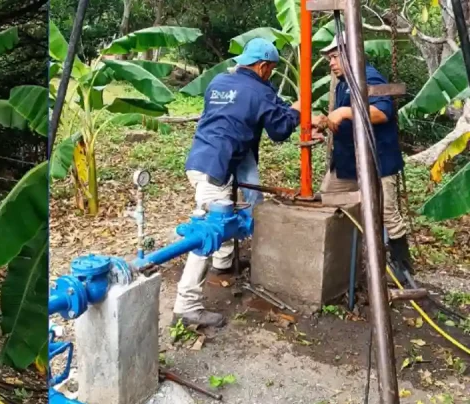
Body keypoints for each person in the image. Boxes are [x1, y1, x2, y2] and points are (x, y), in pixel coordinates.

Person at [174, 38, 303, 328]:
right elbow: (280, 130)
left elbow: (242, 110)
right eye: (270, 69)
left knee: (223, 215)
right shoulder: (258, 91)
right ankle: (187, 304)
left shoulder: (219, 82)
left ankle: (223, 264)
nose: (270, 74)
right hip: (216, 169)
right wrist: (297, 110)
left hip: (200, 159)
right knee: (206, 233)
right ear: (262, 66)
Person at [316, 33, 414, 277]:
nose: (331, 62)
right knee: (328, 202)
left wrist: (345, 111)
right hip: (348, 162)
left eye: (335, 56)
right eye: (329, 58)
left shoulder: (369, 77)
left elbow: (381, 113)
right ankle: (341, 263)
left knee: (387, 213)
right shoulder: (342, 84)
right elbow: (346, 121)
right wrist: (327, 124)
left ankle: (402, 270)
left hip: (377, 162)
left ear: (352, 54)